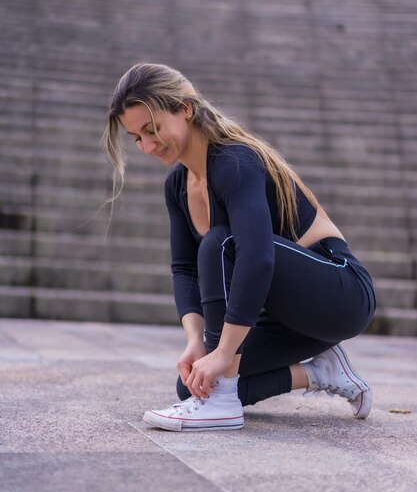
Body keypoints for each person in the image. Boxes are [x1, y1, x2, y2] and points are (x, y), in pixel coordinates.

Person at [104, 62, 376, 432]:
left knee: (223, 242)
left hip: (340, 295)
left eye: (152, 129)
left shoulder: (233, 161)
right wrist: (197, 343)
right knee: (191, 386)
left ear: (185, 108)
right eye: (137, 137)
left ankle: (221, 404)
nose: (148, 145)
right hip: (284, 315)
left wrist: (225, 352)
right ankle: (321, 371)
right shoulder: (178, 185)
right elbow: (184, 269)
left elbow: (257, 257)